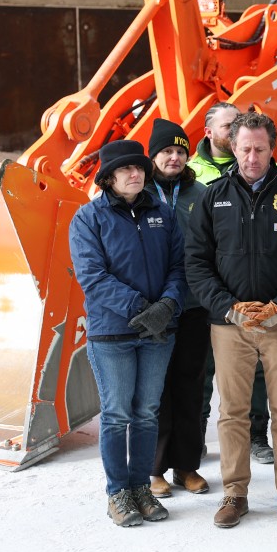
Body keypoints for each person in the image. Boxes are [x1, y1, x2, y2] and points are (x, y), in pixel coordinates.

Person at [185, 111, 277, 529]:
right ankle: (235, 494)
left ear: (273, 148)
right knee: (232, 412)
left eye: (260, 149)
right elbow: (196, 263)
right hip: (230, 326)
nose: (251, 157)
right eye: (245, 148)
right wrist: (228, 307)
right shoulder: (213, 197)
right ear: (233, 146)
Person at [69, 139, 186, 527]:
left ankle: (141, 487)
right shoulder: (89, 219)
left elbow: (178, 267)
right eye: (125, 170)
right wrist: (140, 308)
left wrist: (168, 305)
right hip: (112, 335)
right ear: (108, 178)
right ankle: (117, 492)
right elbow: (92, 277)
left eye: (139, 168)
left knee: (147, 413)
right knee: (117, 414)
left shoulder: (163, 215)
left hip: (158, 334)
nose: (135, 174)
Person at [188, 102, 273, 465]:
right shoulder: (192, 175)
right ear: (209, 132)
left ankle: (257, 434)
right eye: (227, 126)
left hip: (254, 291)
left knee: (256, 373)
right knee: (204, 369)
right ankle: (197, 435)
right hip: (209, 293)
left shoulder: (261, 172)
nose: (235, 130)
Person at [143, 119, 210, 499]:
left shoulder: (199, 193)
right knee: (157, 388)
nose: (174, 157)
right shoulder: (140, 191)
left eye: (180, 151)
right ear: (154, 155)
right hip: (155, 307)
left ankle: (186, 465)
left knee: (190, 385)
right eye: (167, 150)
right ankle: (154, 469)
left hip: (194, 305)